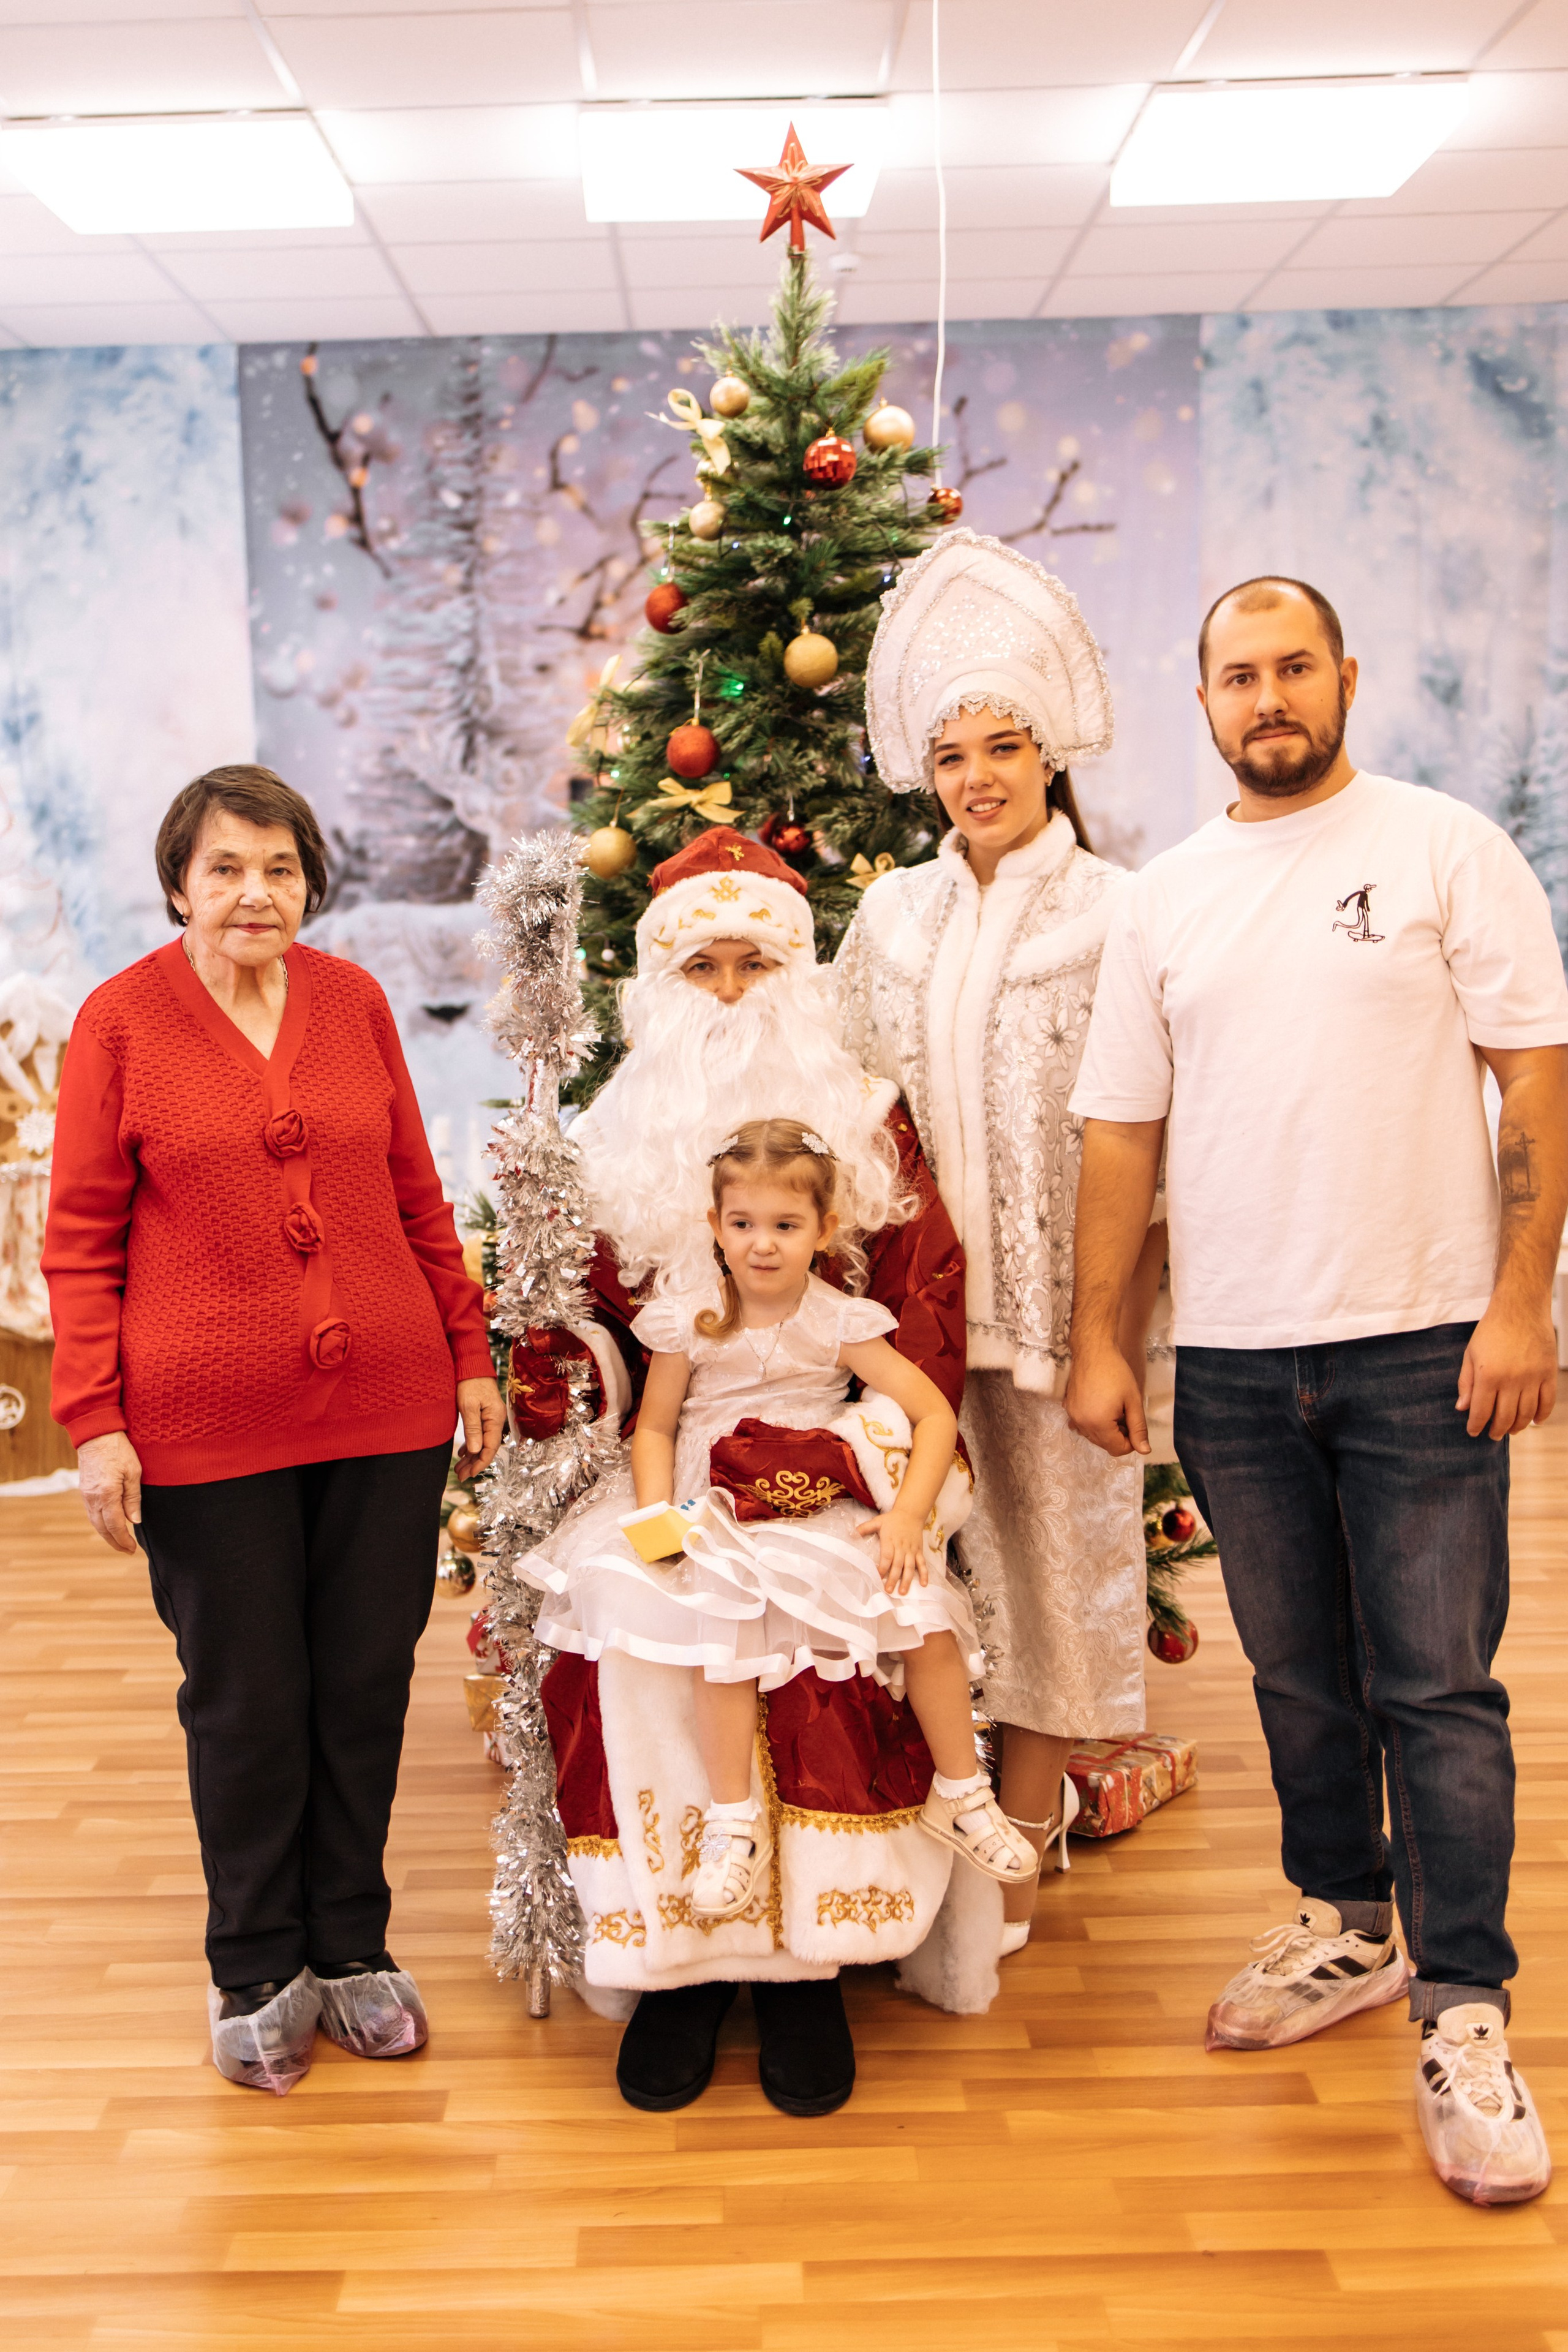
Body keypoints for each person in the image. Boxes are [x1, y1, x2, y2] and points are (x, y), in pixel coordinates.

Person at [1065, 576, 1568, 2207]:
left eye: (1293, 667)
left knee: (1439, 1689)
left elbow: (1534, 1084)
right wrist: (1099, 1340)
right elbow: (1124, 1138)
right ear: (1199, 698)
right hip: (1234, 1360)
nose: (1266, 695)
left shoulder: (1441, 850)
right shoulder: (1163, 900)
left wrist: (1517, 1307)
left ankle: (1467, 2010)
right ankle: (1348, 1929)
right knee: (1300, 1683)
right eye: (1236, 674)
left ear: (1344, 676)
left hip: (1430, 1345)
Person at [508, 825, 989, 2119]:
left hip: (835, 1460)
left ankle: (806, 1965)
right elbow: (608, 1330)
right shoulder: (621, 1126)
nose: (726, 992)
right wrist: (568, 1383)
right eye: (702, 965)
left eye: (752, 964)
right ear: (662, 982)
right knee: (635, 1643)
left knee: (814, 1640)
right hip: (677, 1467)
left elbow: (921, 1309)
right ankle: (674, 1965)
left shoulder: (864, 1125)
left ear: (798, 976)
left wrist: (884, 1472)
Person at [43, 764, 505, 2097]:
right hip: (202, 1422)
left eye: (280, 868)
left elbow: (417, 1194)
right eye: (227, 868)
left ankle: (352, 1948)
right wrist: (94, 1422)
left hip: (388, 1408)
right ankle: (255, 1963)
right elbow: (79, 1243)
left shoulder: (355, 1003)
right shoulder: (121, 1023)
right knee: (247, 1701)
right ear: (179, 883)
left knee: (362, 1687)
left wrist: (466, 1355)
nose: (256, 893)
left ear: (310, 881)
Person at [837, 527, 1163, 1957]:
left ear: (1049, 757)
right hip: (902, 1325)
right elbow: (840, 1114)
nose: (975, 774)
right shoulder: (889, 913)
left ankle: (1009, 1883)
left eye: (1003, 745)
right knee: (903, 1585)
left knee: (1047, 1593)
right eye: (951, 750)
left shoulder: (1120, 914)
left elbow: (1150, 1143)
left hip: (1055, 1324)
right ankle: (894, 1863)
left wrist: (1113, 1335)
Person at [521, 1118, 1030, 1928]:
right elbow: (655, 1428)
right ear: (716, 1227)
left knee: (923, 1610)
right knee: (724, 1622)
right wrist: (655, 1518)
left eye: (786, 1226)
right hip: (707, 1492)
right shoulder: (692, 1319)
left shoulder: (839, 1322)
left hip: (809, 1489)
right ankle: (733, 1828)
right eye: (743, 1224)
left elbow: (932, 1416)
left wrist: (907, 1514)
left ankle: (962, 1794)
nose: (762, 1245)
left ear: (823, 1231)